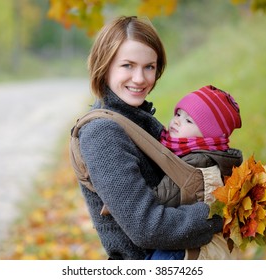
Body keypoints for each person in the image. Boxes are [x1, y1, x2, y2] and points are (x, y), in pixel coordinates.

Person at [74, 16, 223, 260]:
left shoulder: (139, 119)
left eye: (149, 67)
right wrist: (221, 213)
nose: (140, 79)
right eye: (127, 66)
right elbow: (147, 228)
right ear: (105, 65)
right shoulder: (103, 133)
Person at [146, 85, 243, 260]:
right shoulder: (192, 153)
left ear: (208, 136)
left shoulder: (195, 164)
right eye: (178, 114)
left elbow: (159, 202)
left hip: (186, 252)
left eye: (188, 121)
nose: (177, 121)